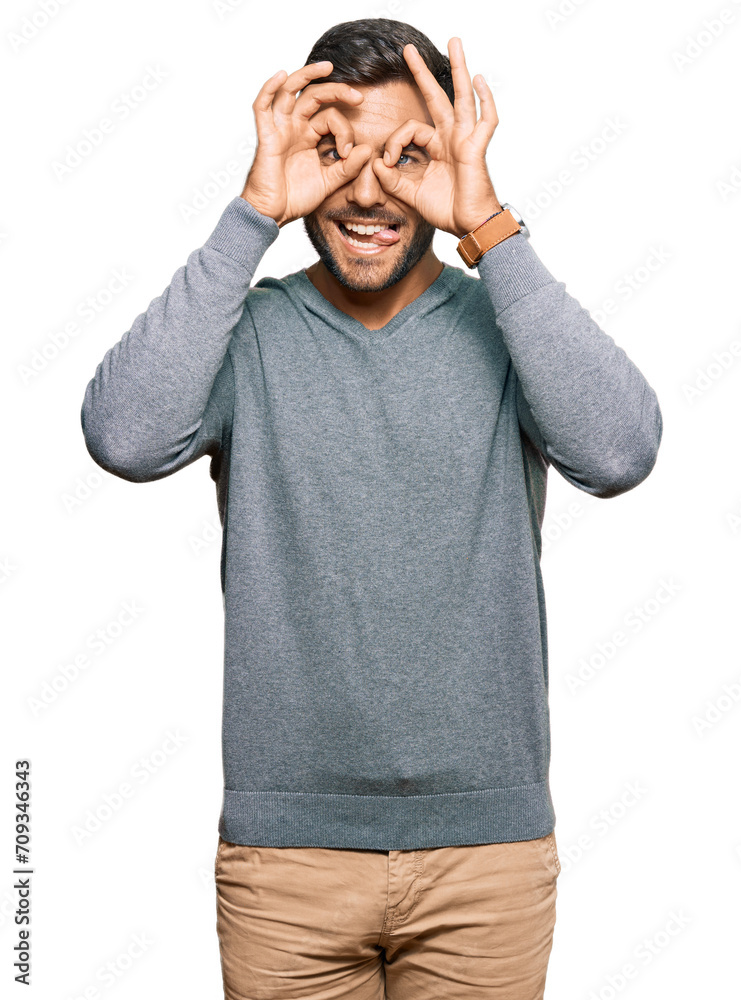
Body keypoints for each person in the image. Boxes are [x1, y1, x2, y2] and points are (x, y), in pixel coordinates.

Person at [80, 17, 663, 1000]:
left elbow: (617, 450)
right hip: (287, 864)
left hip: (486, 860)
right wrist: (252, 212)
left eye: (406, 156)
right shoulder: (250, 335)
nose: (364, 189)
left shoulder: (507, 327)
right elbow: (124, 435)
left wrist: (487, 223)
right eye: (333, 152)